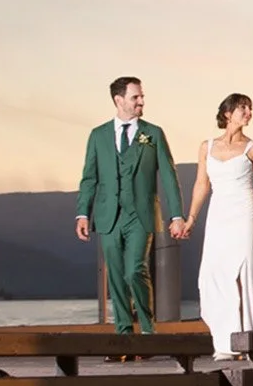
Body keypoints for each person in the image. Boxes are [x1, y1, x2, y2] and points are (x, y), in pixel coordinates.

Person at [174, 92, 253, 358]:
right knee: (214, 273)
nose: (248, 112)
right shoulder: (206, 147)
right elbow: (201, 185)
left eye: (250, 108)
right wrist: (191, 219)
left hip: (245, 213)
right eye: (242, 108)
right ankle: (224, 339)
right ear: (227, 113)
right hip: (218, 214)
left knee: (243, 269)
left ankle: (247, 336)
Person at [75, 76, 182, 337]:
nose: (141, 101)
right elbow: (89, 177)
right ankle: (123, 336)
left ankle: (147, 331)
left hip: (140, 215)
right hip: (108, 215)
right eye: (136, 97)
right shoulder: (98, 135)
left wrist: (177, 215)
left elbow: (169, 175)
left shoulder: (153, 133)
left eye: (141, 96)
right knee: (116, 275)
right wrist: (82, 213)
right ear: (118, 100)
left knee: (135, 269)